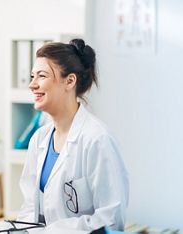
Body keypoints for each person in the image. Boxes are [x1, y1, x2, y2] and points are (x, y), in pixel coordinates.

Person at [17, 39, 129, 231]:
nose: (32, 85)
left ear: (69, 81)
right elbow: (29, 207)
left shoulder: (97, 140)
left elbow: (111, 219)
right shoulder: (39, 139)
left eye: (41, 76)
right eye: (32, 76)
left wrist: (54, 231)